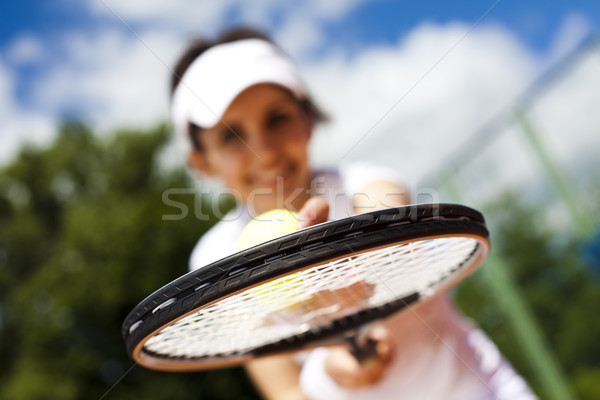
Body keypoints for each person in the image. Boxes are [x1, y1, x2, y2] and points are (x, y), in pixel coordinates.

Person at [170, 27, 537, 400]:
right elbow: (286, 391)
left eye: (277, 119)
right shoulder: (213, 259)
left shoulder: (366, 183)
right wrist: (328, 376)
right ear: (201, 161)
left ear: (307, 119)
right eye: (232, 135)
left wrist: (341, 253)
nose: (264, 151)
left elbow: (390, 218)